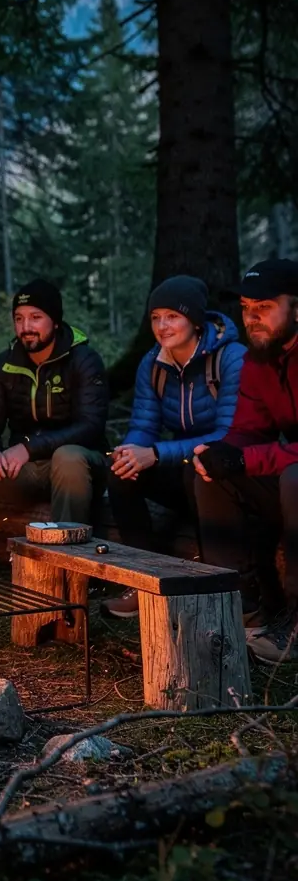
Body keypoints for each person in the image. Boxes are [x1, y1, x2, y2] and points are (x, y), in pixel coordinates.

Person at [101, 276, 245, 618]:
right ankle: (142, 582)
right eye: (155, 317)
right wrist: (132, 451)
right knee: (121, 474)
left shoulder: (231, 358)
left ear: (195, 320)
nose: (162, 326)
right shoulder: (153, 364)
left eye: (172, 316)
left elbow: (228, 434)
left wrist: (154, 454)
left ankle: (213, 589)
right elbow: (144, 425)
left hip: (227, 469)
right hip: (180, 463)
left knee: (197, 472)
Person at [0, 279, 109, 562]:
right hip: (23, 469)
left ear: (55, 321)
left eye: (36, 317)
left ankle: (66, 563)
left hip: (78, 467)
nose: (26, 327)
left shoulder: (83, 360)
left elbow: (90, 426)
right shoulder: (5, 364)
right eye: (19, 319)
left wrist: (28, 448)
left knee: (68, 457)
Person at [193, 258, 298, 663]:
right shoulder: (261, 358)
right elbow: (248, 430)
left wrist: (244, 460)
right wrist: (221, 453)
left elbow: (257, 456)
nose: (252, 318)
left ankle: (296, 626)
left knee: (294, 478)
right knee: (210, 473)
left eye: (265, 307)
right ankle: (241, 610)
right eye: (246, 308)